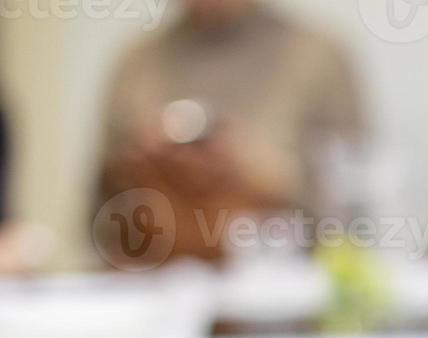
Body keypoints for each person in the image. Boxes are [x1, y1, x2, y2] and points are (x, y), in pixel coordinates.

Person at [95, 0, 366, 264]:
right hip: (153, 293)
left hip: (286, 294)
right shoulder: (137, 66)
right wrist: (143, 176)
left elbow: (353, 221)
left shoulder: (317, 58)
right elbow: (97, 221)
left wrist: (263, 179)